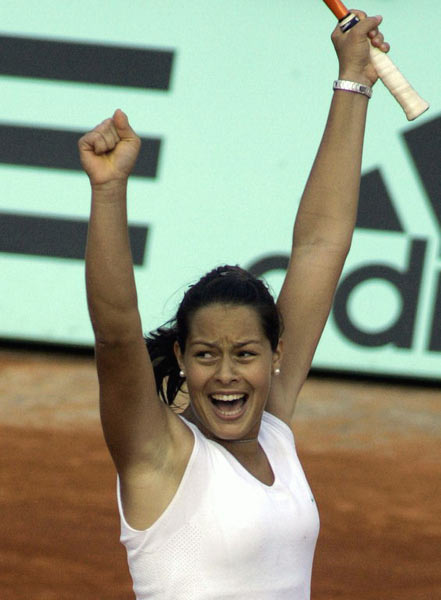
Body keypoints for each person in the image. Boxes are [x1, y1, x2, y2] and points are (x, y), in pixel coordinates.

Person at [79, 10, 389, 599]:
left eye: (245, 353)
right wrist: (109, 191)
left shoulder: (273, 427)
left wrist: (355, 81)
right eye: (205, 354)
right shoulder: (158, 455)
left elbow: (321, 245)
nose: (226, 374)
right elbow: (117, 332)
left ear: (276, 354)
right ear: (181, 356)